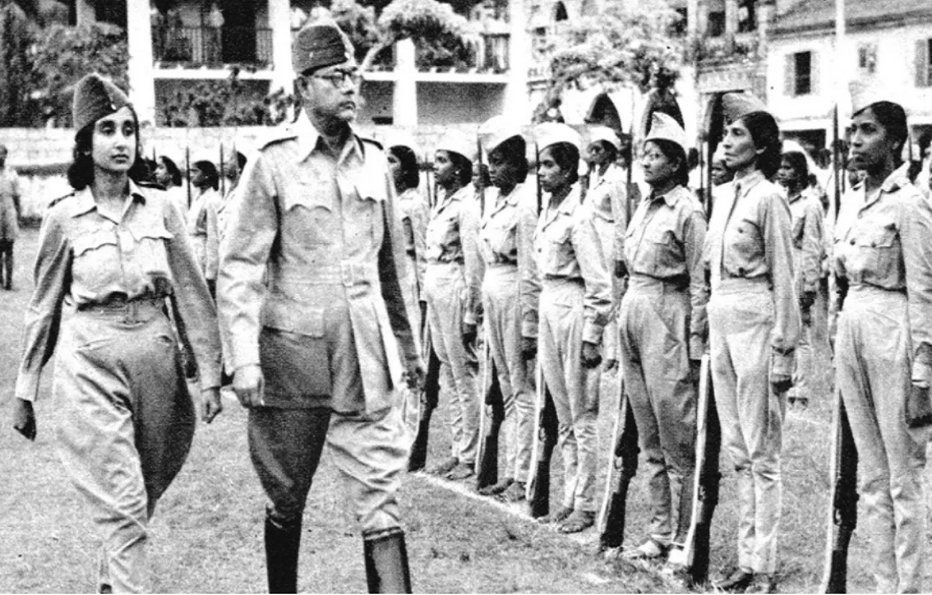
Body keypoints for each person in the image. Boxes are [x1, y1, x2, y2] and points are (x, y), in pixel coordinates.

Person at [217, 22, 422, 593]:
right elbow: (240, 267)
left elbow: (393, 270)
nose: (350, 87)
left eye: (354, 76)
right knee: (286, 493)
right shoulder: (272, 162)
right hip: (291, 360)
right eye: (336, 77)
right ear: (303, 87)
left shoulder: (375, 161)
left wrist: (409, 348)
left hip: (366, 356)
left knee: (381, 496)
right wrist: (243, 358)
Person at [10, 73, 222, 593]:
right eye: (107, 130)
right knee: (124, 503)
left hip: (156, 365)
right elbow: (43, 309)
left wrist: (211, 375)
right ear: (86, 144)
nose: (121, 141)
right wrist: (25, 389)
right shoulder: (64, 217)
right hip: (91, 365)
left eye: (128, 130)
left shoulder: (163, 207)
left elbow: (191, 295)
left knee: (138, 498)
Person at [833, 100, 931, 593]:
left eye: (867, 131)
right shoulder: (852, 200)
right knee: (871, 477)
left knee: (903, 475)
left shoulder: (910, 203)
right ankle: (882, 584)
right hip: (853, 324)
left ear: (895, 141)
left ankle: (911, 587)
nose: (855, 140)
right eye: (853, 130)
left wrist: (923, 376)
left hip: (893, 329)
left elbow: (925, 292)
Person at [705, 93, 799, 594]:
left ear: (761, 147)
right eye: (726, 132)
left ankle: (763, 563)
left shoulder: (769, 197)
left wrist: (784, 349)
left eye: (737, 134)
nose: (726, 141)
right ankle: (745, 557)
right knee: (738, 448)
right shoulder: (724, 197)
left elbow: (785, 276)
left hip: (756, 316)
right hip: (722, 315)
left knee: (762, 452)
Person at [618, 113, 708, 566]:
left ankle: (684, 536)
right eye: (644, 154)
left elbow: (699, 280)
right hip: (635, 306)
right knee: (647, 432)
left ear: (675, 164)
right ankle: (658, 530)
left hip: (668, 311)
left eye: (656, 155)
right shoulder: (644, 205)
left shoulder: (687, 210)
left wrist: (695, 342)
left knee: (677, 430)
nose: (646, 162)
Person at [532, 122, 611, 534]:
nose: (542, 173)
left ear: (568, 171)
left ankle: (587, 503)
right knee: (562, 412)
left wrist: (591, 336)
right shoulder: (547, 212)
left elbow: (600, 284)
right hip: (550, 302)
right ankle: (569, 496)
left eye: (549, 166)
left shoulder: (580, 217)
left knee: (582, 414)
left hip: (573, 306)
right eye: (540, 165)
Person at [473, 116, 539, 502]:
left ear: (517, 164)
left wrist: (530, 322)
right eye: (490, 162)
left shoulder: (526, 204)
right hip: (494, 289)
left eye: (499, 162)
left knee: (521, 386)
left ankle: (523, 474)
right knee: (504, 383)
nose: (492, 169)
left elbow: (530, 268)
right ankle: (512, 469)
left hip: (514, 290)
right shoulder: (495, 201)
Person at [422, 129, 483, 481]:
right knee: (448, 371)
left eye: (442, 161)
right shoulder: (443, 202)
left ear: (458, 168)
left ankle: (470, 455)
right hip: (437, 284)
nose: (436, 166)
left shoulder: (467, 206)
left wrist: (472, 311)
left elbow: (474, 263)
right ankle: (458, 449)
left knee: (463, 374)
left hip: (454, 287)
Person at [777, 149, 824, 410]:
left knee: (802, 331)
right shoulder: (778, 198)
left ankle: (801, 389)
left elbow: (812, 246)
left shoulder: (810, 204)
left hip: (798, 268)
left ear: (800, 172)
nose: (782, 172)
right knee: (781, 327)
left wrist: (810, 283)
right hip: (781, 268)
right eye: (781, 167)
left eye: (788, 168)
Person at [187, 159, 221, 296]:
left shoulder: (212, 200)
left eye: (195, 171)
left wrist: (211, 272)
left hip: (203, 255)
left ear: (206, 175)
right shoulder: (197, 197)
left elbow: (213, 236)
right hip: (193, 251)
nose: (191, 175)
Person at [0, 144, 21, 290]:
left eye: (2, 154)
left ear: (6, 156)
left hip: (9, 211)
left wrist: (18, 215)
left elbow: (17, 196)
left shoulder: (11, 173)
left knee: (9, 247)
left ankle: (9, 281)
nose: (0, 157)